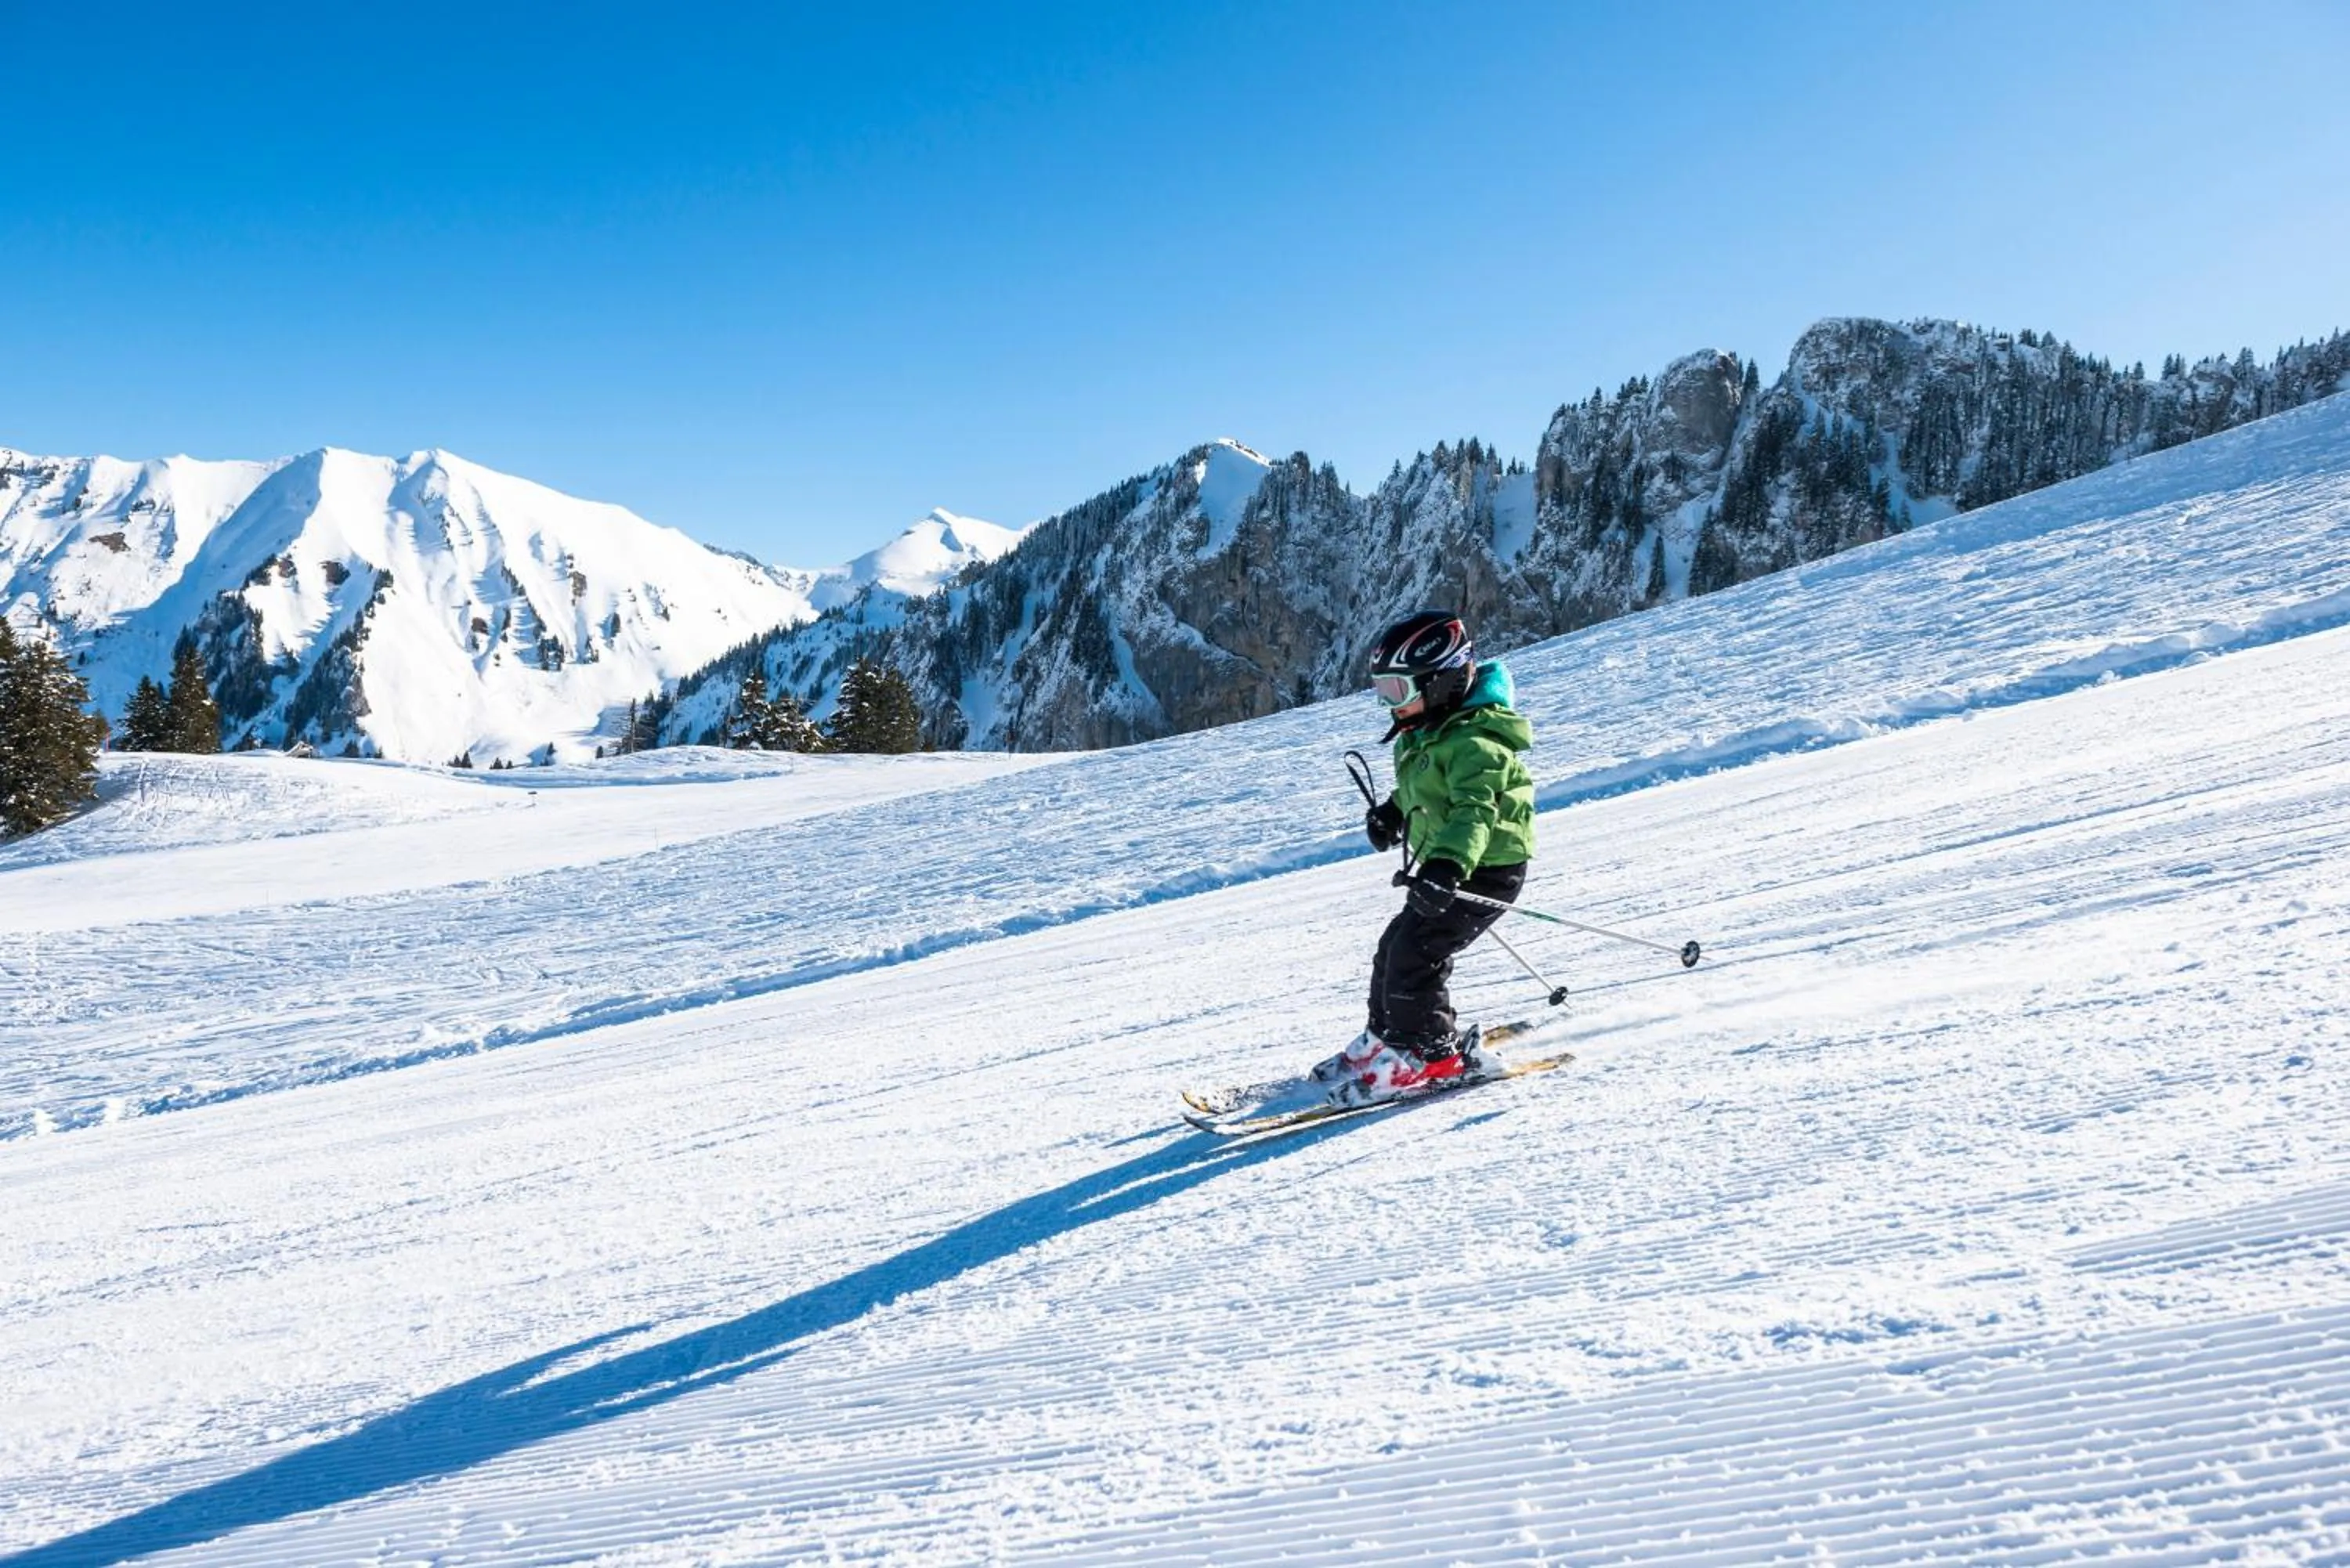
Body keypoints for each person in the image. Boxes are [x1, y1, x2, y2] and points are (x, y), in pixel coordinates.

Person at [1318, 609, 1536, 1106]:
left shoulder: (1477, 744)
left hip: (1484, 870)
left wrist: (1445, 868)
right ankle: (1385, 1038)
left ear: (1440, 683)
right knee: (1394, 946)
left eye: (1397, 691)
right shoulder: (1430, 731)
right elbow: (1421, 787)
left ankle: (1435, 1055)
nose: (1388, 705)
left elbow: (1474, 814)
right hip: (1451, 866)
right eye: (1382, 691)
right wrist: (1393, 815)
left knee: (1418, 957)